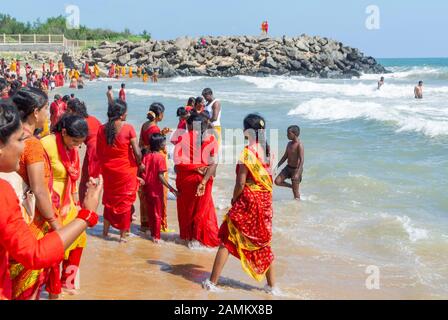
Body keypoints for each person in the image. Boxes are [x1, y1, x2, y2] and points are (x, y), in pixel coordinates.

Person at [0, 101, 102, 301]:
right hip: (46, 210)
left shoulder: (71, 150)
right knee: (41, 263)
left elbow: (72, 180)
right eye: (20, 140)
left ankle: (66, 286)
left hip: (62, 205)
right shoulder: (4, 192)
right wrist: (87, 214)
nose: (24, 148)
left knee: (76, 243)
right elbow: (34, 254)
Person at [203, 114, 277, 293]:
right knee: (263, 242)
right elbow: (268, 180)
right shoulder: (268, 151)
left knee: (227, 240)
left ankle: (212, 283)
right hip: (265, 202)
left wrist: (234, 199)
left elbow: (240, 183)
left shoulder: (247, 153)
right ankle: (272, 287)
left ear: (246, 131)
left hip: (248, 201)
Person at [10, 87, 63, 300]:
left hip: (13, 215)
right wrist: (54, 222)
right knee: (29, 284)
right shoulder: (31, 144)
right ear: (34, 112)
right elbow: (39, 190)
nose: (48, 114)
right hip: (32, 221)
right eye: (45, 109)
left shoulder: (10, 136)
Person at [41, 114, 89, 295]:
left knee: (79, 240)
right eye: (75, 141)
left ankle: (67, 281)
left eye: (80, 142)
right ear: (63, 132)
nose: (77, 145)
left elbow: (73, 177)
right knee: (56, 247)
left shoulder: (73, 148)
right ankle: (53, 291)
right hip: (49, 201)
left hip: (68, 200)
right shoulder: (46, 144)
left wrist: (76, 202)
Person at [97, 99, 142, 242]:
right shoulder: (128, 128)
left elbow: (99, 152)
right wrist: (140, 164)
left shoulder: (101, 129)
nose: (127, 114)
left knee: (110, 200)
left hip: (109, 170)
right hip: (126, 170)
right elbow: (137, 152)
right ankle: (123, 236)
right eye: (125, 111)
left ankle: (105, 232)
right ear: (121, 114)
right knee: (125, 202)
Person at [173, 113, 220, 248]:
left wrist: (193, 168)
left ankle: (187, 238)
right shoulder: (211, 139)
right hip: (203, 179)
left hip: (186, 179)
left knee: (186, 209)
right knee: (202, 209)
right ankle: (198, 241)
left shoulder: (183, 137)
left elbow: (177, 162)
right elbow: (214, 163)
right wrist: (204, 180)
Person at [138, 103, 171, 233]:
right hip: (154, 162)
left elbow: (145, 142)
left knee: (145, 195)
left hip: (145, 160)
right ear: (158, 115)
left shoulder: (145, 125)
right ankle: (160, 224)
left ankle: (145, 224)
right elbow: (156, 145)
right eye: (162, 113)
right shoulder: (154, 129)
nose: (163, 116)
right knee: (160, 194)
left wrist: (161, 133)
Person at [140, 134, 178, 242]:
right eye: (163, 142)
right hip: (156, 190)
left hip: (146, 189)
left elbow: (142, 170)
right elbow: (160, 176)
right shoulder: (160, 158)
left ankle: (153, 234)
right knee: (157, 214)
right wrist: (171, 188)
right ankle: (156, 237)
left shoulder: (146, 156)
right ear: (159, 144)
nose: (165, 144)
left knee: (151, 213)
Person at [67, 99, 102, 206]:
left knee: (91, 180)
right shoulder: (92, 118)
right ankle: (84, 204)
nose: (68, 113)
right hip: (100, 148)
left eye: (69, 110)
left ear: (74, 111)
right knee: (88, 179)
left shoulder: (79, 122)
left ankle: (88, 205)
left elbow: (75, 141)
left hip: (93, 149)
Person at [274, 125, 304, 200]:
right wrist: (277, 166)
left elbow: (302, 160)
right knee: (277, 181)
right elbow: (285, 156)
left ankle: (297, 207)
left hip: (296, 169)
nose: (287, 135)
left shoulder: (299, 145)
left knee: (296, 194)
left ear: (294, 134)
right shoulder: (289, 144)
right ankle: (292, 186)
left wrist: (298, 172)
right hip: (288, 168)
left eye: (288, 133)